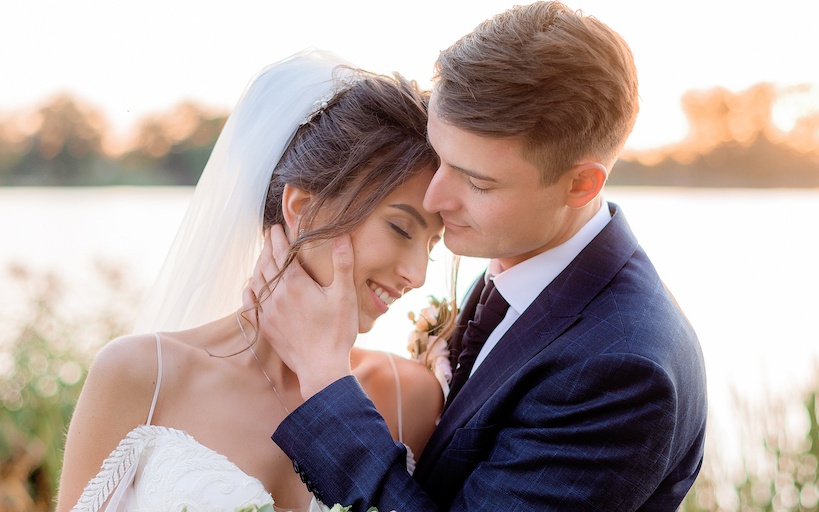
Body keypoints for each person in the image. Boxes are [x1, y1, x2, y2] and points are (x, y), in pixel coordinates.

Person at [246, 2, 708, 510]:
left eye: (477, 182)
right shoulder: (521, 264)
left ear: (580, 184)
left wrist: (324, 378)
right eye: (441, 157)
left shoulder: (621, 371)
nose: (435, 198)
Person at [55, 48, 448, 512]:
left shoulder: (410, 397)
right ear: (301, 208)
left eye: (432, 245)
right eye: (400, 228)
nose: (417, 275)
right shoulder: (140, 374)